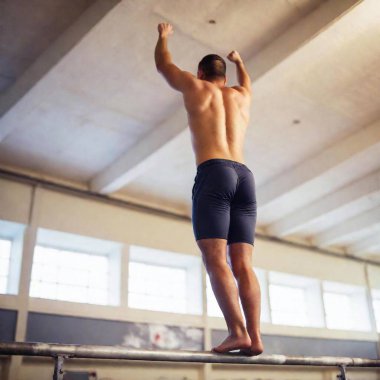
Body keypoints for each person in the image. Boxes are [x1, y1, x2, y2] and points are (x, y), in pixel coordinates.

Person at [154, 23, 263, 356]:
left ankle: (237, 332)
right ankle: (255, 337)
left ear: (200, 73)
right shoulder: (241, 96)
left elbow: (164, 65)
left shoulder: (195, 86)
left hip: (214, 173)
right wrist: (240, 61)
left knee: (215, 258)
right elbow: (247, 83)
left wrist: (163, 37)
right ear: (225, 78)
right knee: (243, 263)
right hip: (245, 176)